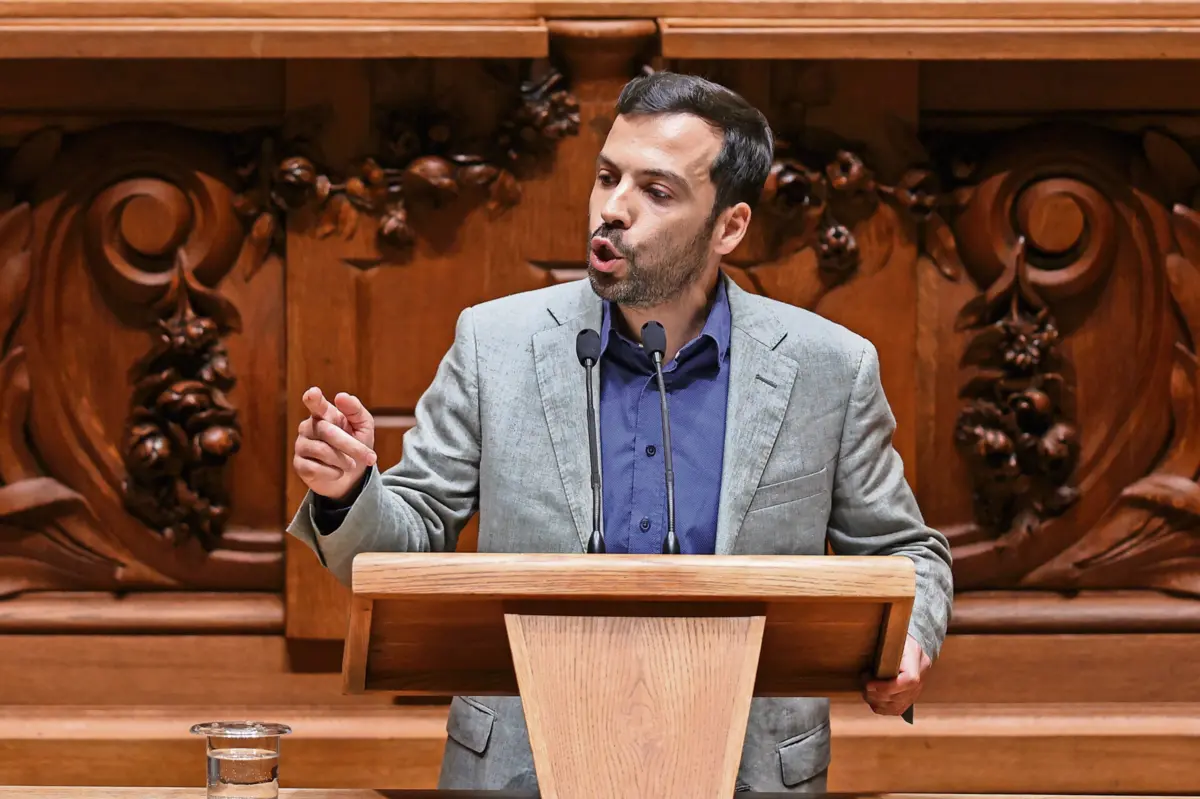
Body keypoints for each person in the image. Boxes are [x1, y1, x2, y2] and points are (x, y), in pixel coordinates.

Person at [288, 70, 953, 793]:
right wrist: (349, 491)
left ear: (729, 225)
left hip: (745, 772)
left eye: (656, 191)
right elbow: (409, 539)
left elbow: (904, 551)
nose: (612, 209)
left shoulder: (829, 369)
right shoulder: (496, 343)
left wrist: (912, 634)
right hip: (523, 768)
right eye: (607, 177)